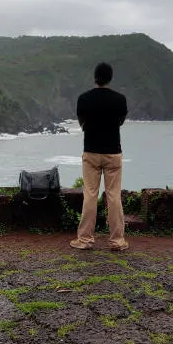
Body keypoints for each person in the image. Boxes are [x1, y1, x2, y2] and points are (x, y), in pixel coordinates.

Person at [70, 62, 129, 251]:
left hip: (91, 153)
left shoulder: (84, 99)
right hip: (113, 153)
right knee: (114, 196)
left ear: (95, 77)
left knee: (90, 195)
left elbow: (82, 124)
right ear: (110, 78)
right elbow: (120, 122)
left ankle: (85, 239)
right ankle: (117, 241)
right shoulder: (120, 100)